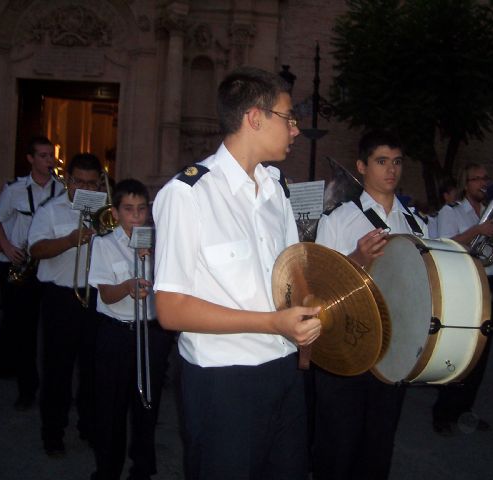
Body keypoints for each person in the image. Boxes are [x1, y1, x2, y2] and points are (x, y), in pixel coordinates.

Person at [152, 66, 321, 480]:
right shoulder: (187, 194)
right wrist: (271, 323)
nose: (296, 129)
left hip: (283, 374)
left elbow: (287, 277)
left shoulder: (275, 191)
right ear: (254, 118)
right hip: (223, 385)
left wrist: (305, 329)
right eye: (288, 117)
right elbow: (170, 310)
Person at [313, 130, 427, 480]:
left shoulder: (417, 223)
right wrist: (357, 258)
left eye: (396, 162)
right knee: (338, 444)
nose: (390, 170)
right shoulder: (337, 219)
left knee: (379, 444)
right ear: (362, 166)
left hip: (393, 349)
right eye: (381, 161)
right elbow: (319, 290)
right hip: (346, 346)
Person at [89, 179, 174, 480]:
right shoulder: (103, 243)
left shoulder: (159, 242)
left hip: (151, 331)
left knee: (147, 404)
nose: (136, 217)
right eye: (128, 210)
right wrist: (127, 286)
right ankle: (107, 470)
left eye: (141, 209)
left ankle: (142, 468)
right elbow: (106, 294)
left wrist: (153, 258)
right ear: (115, 211)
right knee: (110, 406)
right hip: (117, 331)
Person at [28, 152, 102, 456]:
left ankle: (88, 425)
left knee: (93, 370)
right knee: (57, 370)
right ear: (68, 180)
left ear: (99, 185)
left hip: (95, 297)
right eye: (78, 181)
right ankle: (53, 433)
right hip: (60, 298)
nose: (84, 189)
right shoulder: (51, 210)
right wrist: (71, 240)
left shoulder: (104, 213)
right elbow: (36, 249)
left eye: (91, 183)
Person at [0, 135, 64, 408]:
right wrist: (7, 247)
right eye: (43, 156)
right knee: (23, 330)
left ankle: (55, 389)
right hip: (21, 263)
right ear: (31, 159)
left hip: (50, 263)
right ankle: (27, 388)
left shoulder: (63, 189)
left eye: (50, 155)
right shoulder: (15, 189)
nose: (48, 161)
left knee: (54, 330)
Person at [432, 162, 493, 435]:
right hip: (467, 286)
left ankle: (465, 409)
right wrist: (477, 231)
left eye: (486, 178)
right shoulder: (450, 211)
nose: (483, 183)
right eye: (477, 179)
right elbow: (444, 244)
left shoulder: (492, 213)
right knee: (460, 351)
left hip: (491, 283)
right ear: (466, 184)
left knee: (482, 354)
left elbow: (489, 247)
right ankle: (443, 411)